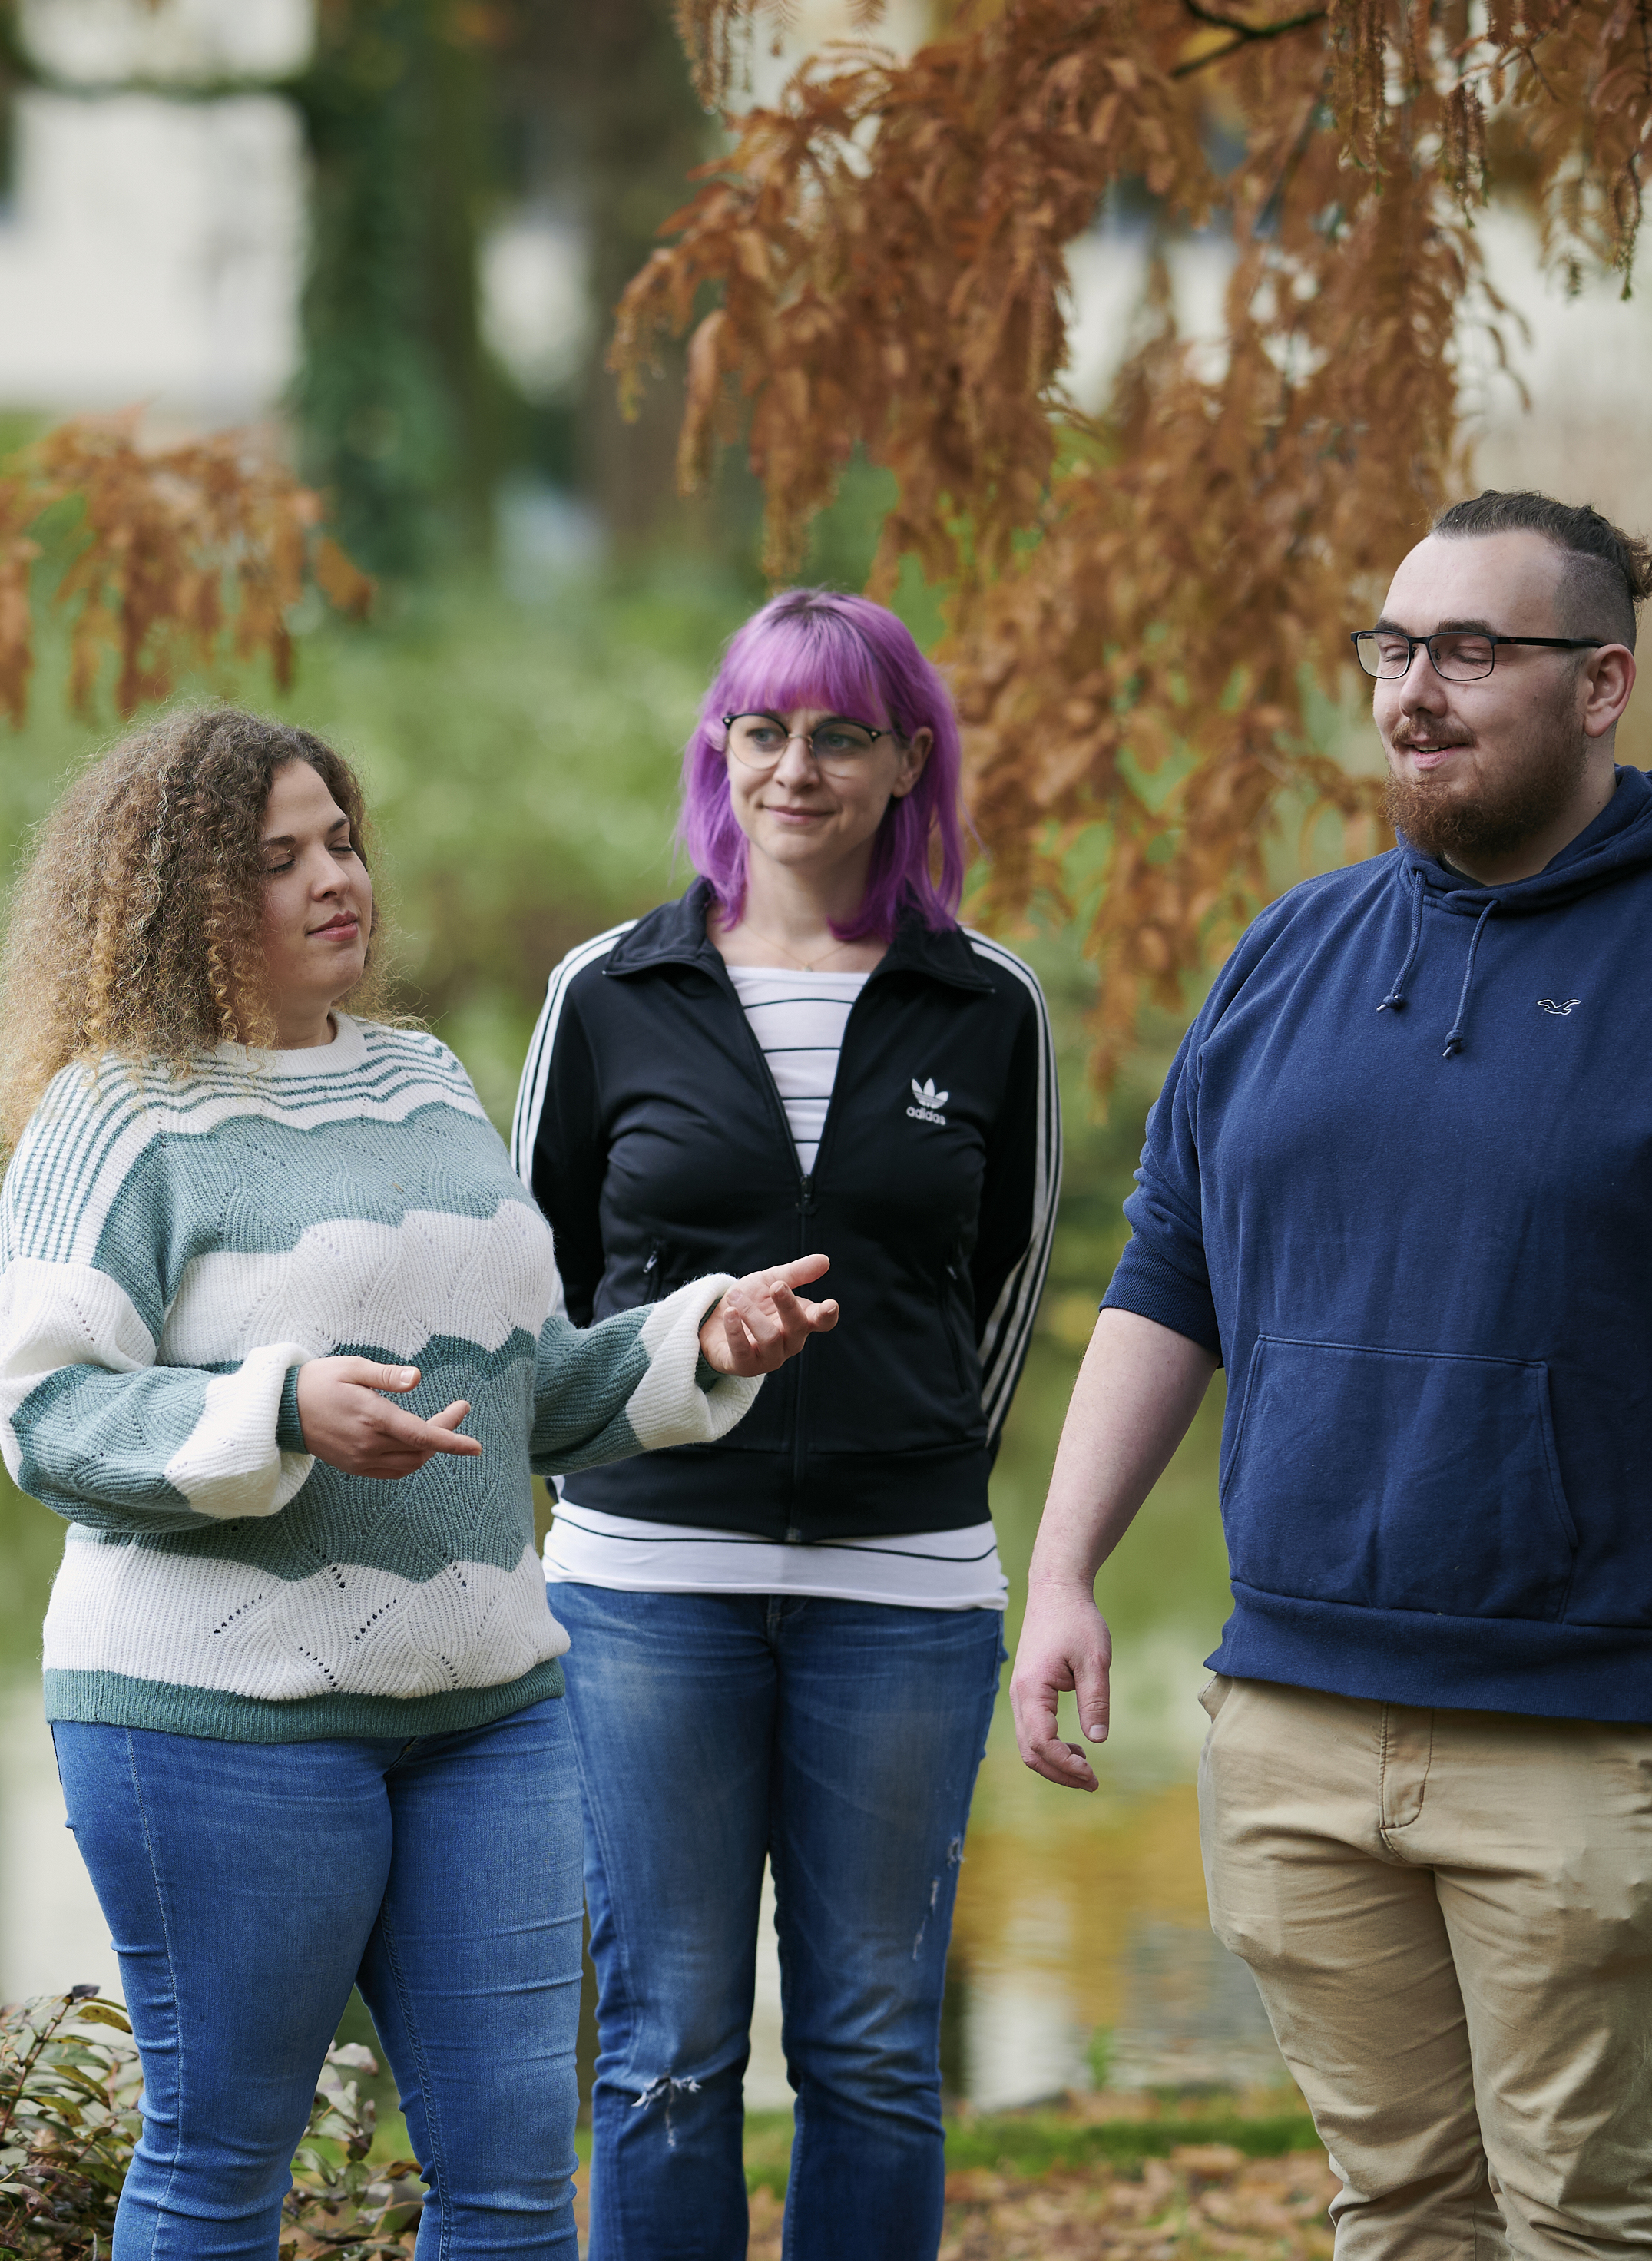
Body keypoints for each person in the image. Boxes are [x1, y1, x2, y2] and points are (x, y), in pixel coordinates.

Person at [1005, 492, 1652, 2259]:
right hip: (1295, 1716)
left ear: (1603, 684)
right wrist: (1061, 1570)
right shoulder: (1294, 951)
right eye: (1395, 646)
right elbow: (1170, 1272)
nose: (1416, 689)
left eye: (1474, 650)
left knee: (1580, 2212)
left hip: (1592, 1723)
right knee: (1404, 2208)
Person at [0, 705, 847, 2261]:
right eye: (277, 858)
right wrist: (282, 1411)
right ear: (178, 897)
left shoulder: (425, 1079)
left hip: (487, 1711)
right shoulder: (115, 1113)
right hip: (220, 1720)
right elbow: (52, 1417)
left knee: (517, 2186)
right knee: (222, 2164)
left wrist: (696, 1336)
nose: (336, 878)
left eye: (341, 840)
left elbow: (515, 1395)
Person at [512, 589, 1061, 2260]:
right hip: (645, 1586)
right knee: (668, 2049)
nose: (796, 768)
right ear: (720, 749)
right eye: (763, 730)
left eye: (838, 734)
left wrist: (916, 1464)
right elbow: (531, 1298)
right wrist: (619, 1454)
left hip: (904, 1593)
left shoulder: (989, 1002)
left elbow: (1008, 1284)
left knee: (875, 2051)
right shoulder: (607, 990)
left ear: (907, 761)